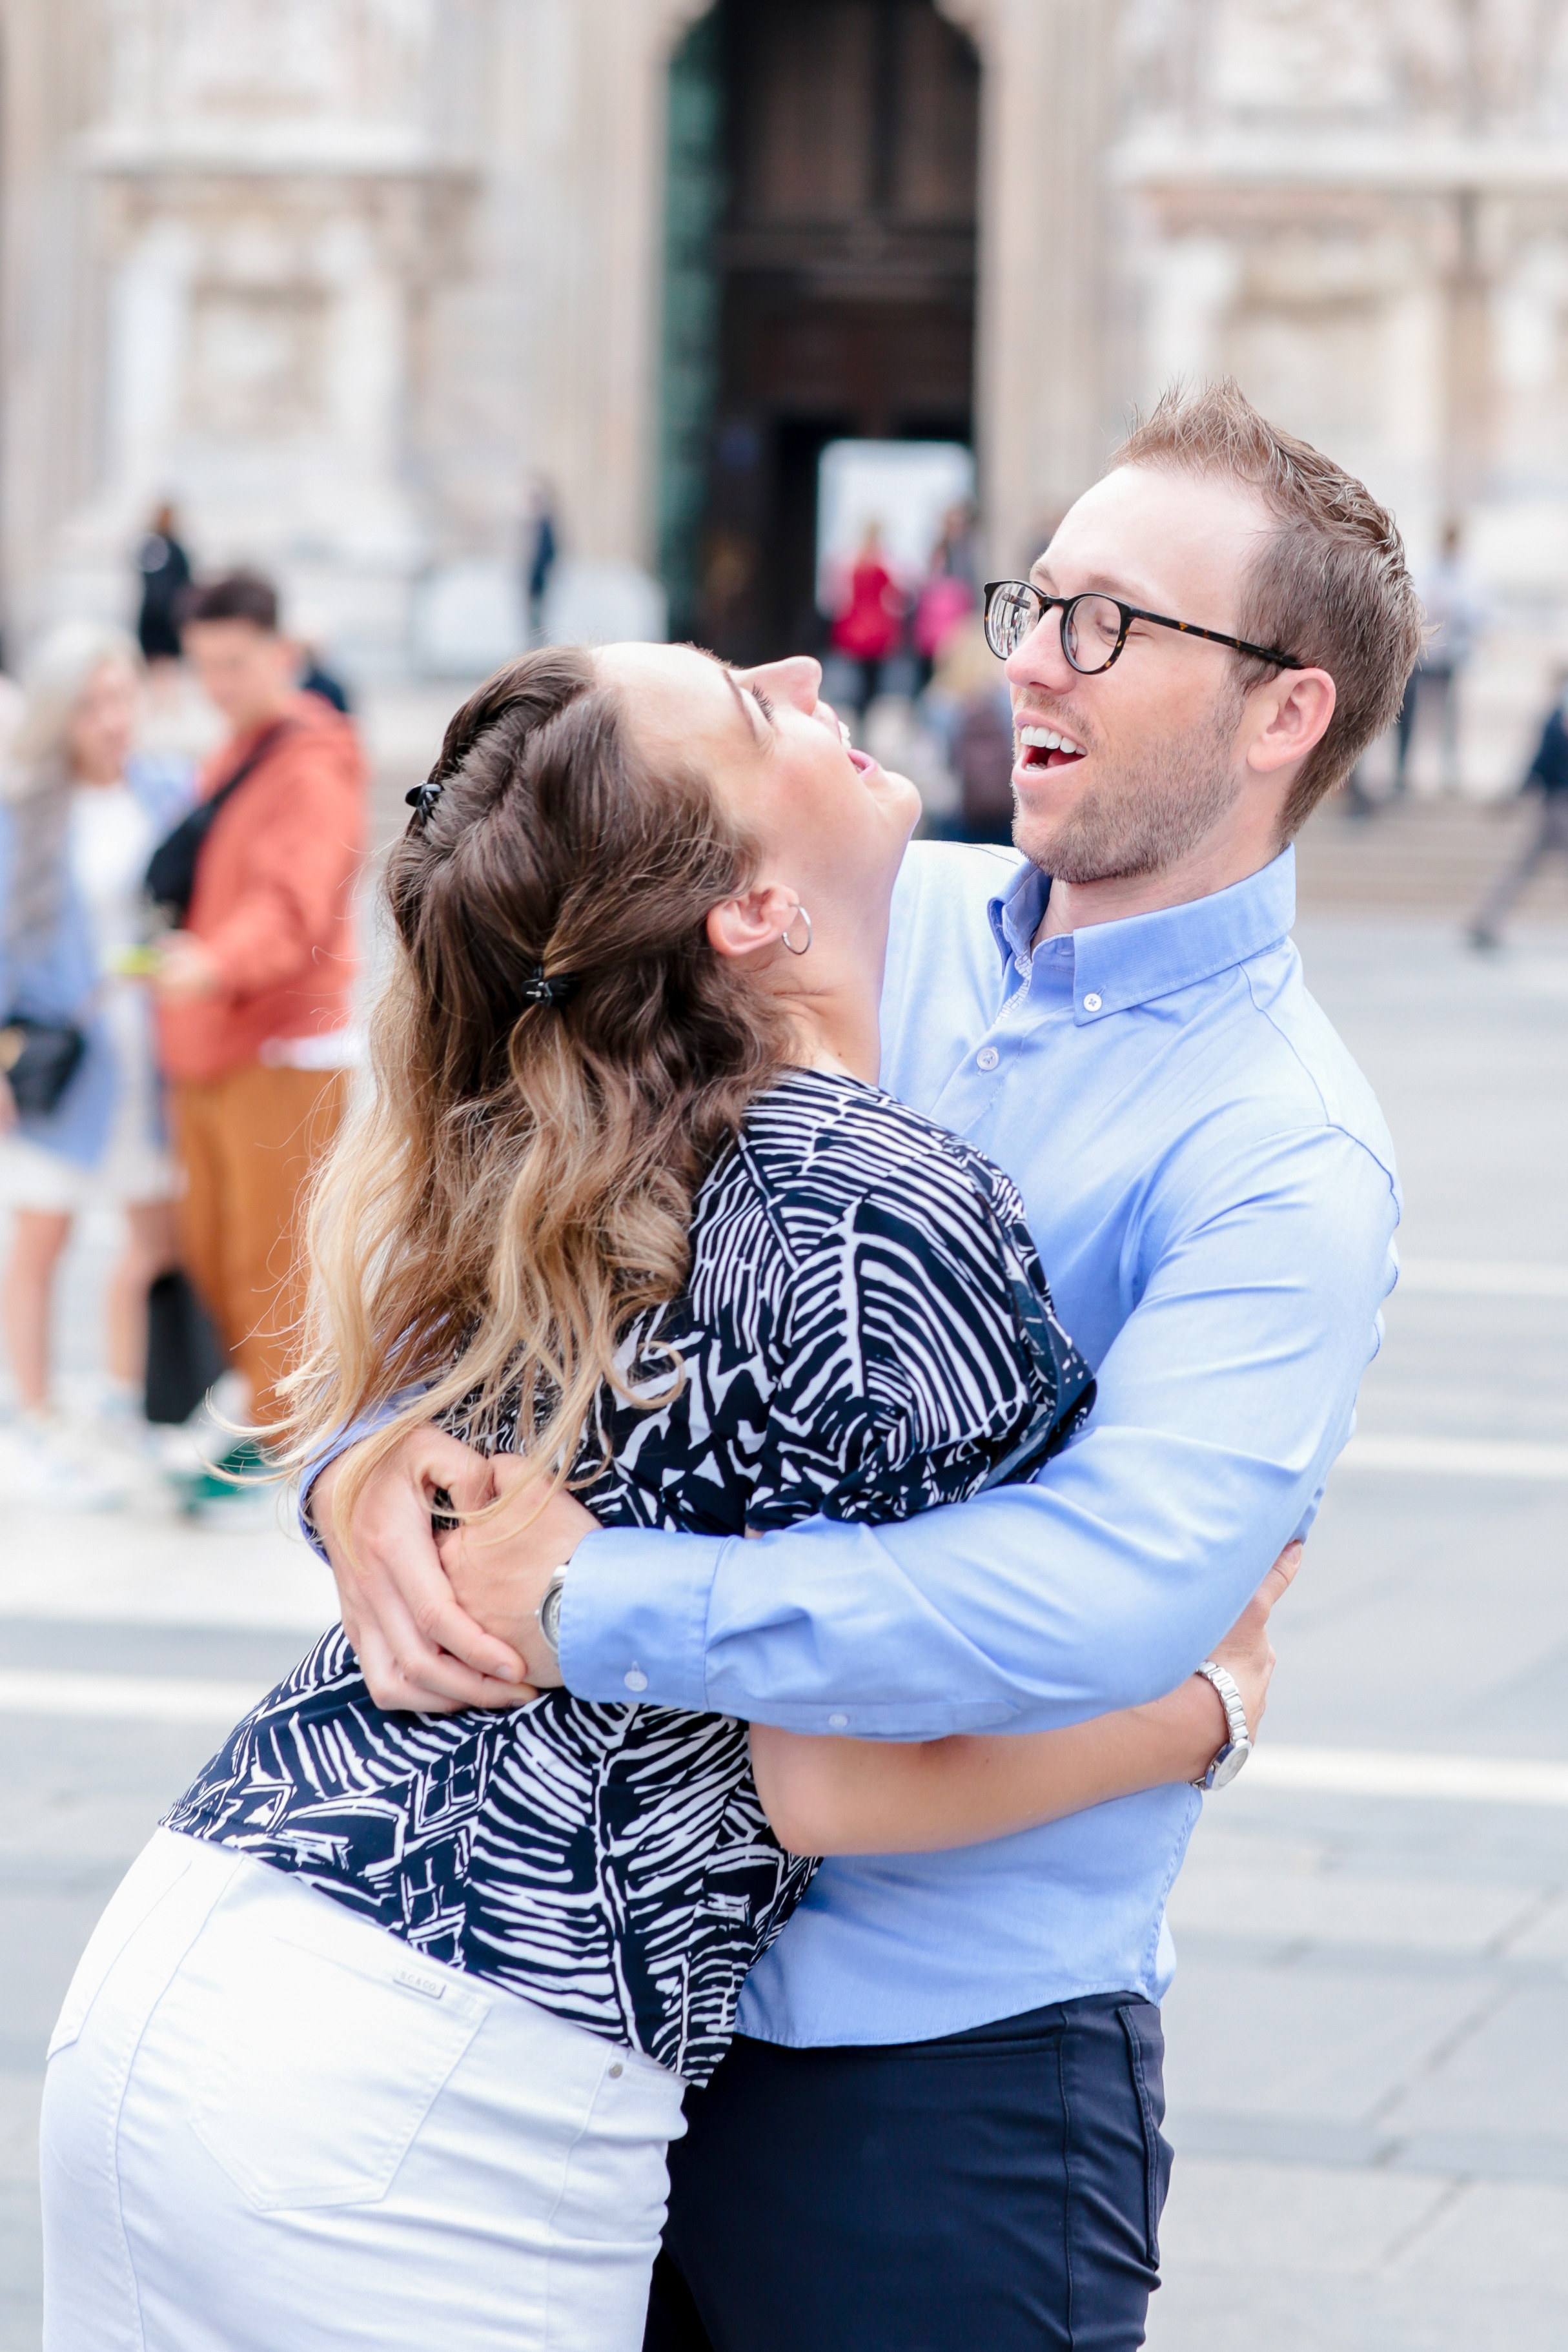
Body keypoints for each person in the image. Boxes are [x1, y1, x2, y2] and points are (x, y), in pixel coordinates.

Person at [312, 382, 1420, 2352]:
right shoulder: (851, 893)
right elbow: (504, 1166)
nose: (1023, 659)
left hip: (944, 2073)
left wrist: (585, 1595)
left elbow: (1093, 1595)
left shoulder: (1279, 1148)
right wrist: (374, 1457)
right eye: (1032, 595)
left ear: (1282, 711)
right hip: (577, 1998)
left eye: (1111, 622)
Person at [40, 640, 1292, 2352]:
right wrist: (1203, 1699)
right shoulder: (879, 1203)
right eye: (756, 708)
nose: (799, 667)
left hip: (202, 1953)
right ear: (748, 913)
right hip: (445, 2074)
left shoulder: (584, 1124)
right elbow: (833, 1778)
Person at [152, 570, 365, 1498]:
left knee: (269, 1260)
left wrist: (216, 962)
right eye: (205, 665)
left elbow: (296, 905)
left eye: (235, 663)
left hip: (283, 1040)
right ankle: (267, 1423)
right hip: (217, 1038)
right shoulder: (240, 748)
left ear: (282, 654)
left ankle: (285, 1460)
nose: (218, 683)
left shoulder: (311, 760)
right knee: (219, 1247)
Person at [0, 624, 190, 1505]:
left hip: (150, 1054)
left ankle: (121, 1404)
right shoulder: (25, 811)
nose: (111, 718)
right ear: (58, 715)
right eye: (89, 704)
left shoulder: (166, 789)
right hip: (56, 1055)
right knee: (43, 1236)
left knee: (154, 1237)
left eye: (120, 697)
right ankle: (31, 1418)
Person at [1469, 667, 1568, 947]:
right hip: (1560, 804)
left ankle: (1487, 920)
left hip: (1554, 803)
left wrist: (1517, 794)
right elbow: (1541, 763)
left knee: (1523, 868)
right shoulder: (1557, 719)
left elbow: (1539, 763)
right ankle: (1486, 920)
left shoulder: (1556, 718)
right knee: (1524, 867)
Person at [1394, 517, 1485, 793]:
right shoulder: (1429, 571)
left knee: (1449, 719)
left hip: (1451, 656)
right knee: (1413, 714)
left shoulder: (1468, 576)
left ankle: (1449, 774)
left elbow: (1477, 615)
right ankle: (1405, 772)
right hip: (1426, 655)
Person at [828, 521, 902, 710]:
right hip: (876, 624)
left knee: (859, 676)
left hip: (858, 623)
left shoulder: (854, 562)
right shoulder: (882, 563)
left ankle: (861, 710)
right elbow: (894, 593)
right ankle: (867, 709)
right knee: (873, 678)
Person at [134, 504, 193, 669]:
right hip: (171, 614)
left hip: (151, 614)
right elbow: (187, 582)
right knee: (168, 666)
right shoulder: (177, 550)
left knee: (154, 665)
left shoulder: (149, 547)